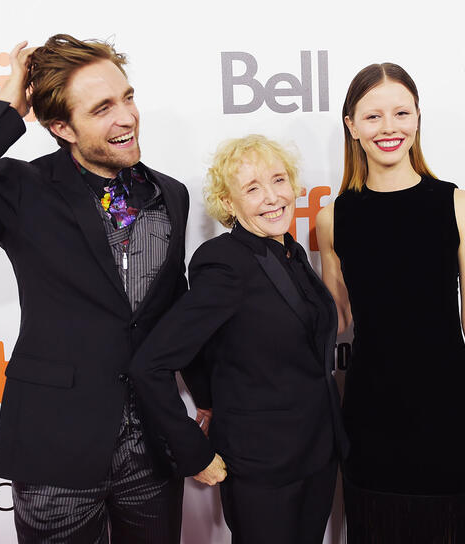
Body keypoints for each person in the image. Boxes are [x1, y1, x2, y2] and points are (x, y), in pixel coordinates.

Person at [0, 34, 210, 543]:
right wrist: (6, 110)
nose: (127, 117)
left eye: (128, 97)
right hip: (55, 450)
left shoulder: (169, 194)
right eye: (103, 108)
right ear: (61, 127)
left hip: (151, 447)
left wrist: (206, 394)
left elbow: (175, 308)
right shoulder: (22, 187)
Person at [128, 135, 349, 544]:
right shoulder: (223, 262)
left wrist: (209, 397)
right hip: (263, 470)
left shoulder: (291, 252)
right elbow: (151, 364)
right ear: (229, 204)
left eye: (278, 180)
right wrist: (192, 450)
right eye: (252, 188)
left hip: (317, 455)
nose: (272, 197)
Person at [316, 63, 465, 542]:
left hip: (448, 416)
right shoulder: (332, 218)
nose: (389, 127)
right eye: (373, 116)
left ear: (417, 118)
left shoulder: (458, 205)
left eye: (401, 112)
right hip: (370, 418)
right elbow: (337, 319)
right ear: (351, 125)